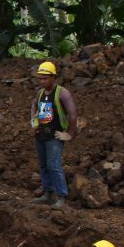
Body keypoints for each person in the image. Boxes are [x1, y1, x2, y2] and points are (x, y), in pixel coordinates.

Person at [30, 61, 77, 209]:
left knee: (53, 165)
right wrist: (34, 122)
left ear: (53, 77)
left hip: (54, 136)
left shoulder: (62, 93)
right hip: (41, 135)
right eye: (40, 78)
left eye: (45, 78)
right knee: (44, 165)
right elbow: (34, 105)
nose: (42, 81)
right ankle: (48, 194)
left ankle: (61, 196)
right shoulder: (41, 93)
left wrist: (69, 133)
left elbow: (73, 114)